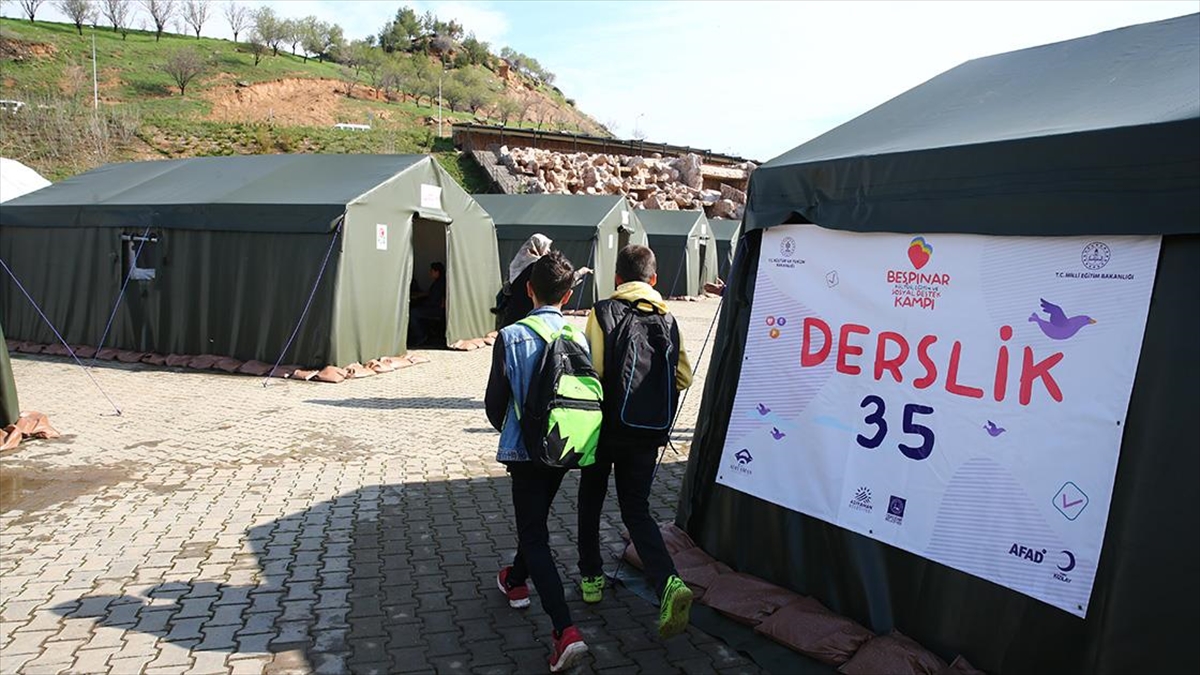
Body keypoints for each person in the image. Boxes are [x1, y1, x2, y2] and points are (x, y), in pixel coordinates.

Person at [576, 244, 695, 639]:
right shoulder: (668, 319)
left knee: (591, 500)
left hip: (603, 431)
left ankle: (591, 580)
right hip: (647, 434)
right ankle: (669, 583)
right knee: (636, 511)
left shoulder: (602, 312)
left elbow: (592, 370)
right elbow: (684, 377)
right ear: (654, 279)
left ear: (616, 278)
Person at [484, 250, 590, 673]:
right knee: (536, 521)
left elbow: (495, 404)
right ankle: (514, 581)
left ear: (528, 290)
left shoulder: (511, 336)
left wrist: (513, 430)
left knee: (534, 535)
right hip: (565, 446)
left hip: (526, 452)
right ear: (568, 295)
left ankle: (565, 631)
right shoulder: (578, 335)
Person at [497, 235, 593, 330]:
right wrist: (580, 273)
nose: (548, 250)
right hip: (528, 316)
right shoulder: (536, 267)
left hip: (513, 313)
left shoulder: (519, 264)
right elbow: (556, 283)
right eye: (546, 247)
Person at [409, 262, 447, 347]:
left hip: (436, 309)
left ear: (437, 272)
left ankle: (420, 336)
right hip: (435, 307)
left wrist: (421, 301)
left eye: (432, 271)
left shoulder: (439, 284)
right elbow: (430, 294)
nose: (430, 273)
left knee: (413, 313)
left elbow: (433, 300)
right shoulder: (440, 282)